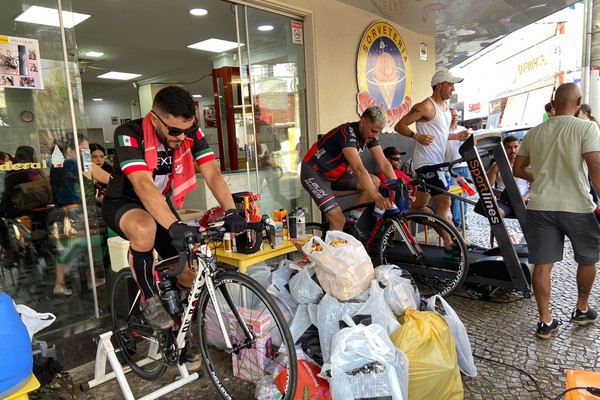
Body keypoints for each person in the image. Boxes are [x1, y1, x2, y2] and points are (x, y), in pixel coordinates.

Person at [101, 86, 246, 333]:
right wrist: (174, 226)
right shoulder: (129, 133)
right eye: (175, 131)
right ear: (155, 119)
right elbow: (143, 185)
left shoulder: (190, 133)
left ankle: (180, 333)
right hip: (124, 202)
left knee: (189, 273)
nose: (181, 137)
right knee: (145, 228)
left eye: (187, 130)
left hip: (160, 202)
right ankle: (149, 300)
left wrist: (231, 210)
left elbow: (212, 173)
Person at [513, 82, 600, 340]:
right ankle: (582, 309)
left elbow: (519, 169)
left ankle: (545, 321)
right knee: (587, 259)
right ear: (579, 101)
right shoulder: (587, 128)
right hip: (577, 207)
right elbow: (595, 170)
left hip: (540, 207)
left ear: (555, 101)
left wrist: (539, 177)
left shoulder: (534, 132)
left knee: (542, 265)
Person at [300, 106, 395, 239]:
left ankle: (350, 225)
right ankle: (332, 258)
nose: (375, 136)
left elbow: (384, 163)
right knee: (338, 220)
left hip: (336, 176)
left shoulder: (369, 136)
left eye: (378, 133)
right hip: (314, 174)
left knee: (375, 182)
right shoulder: (346, 133)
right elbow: (358, 169)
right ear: (363, 122)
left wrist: (396, 183)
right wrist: (377, 197)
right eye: (373, 131)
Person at [394, 70, 469, 233]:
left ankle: (393, 222)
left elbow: (440, 135)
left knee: (419, 206)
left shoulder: (446, 109)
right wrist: (416, 136)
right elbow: (399, 125)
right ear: (439, 85)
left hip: (439, 164)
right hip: (427, 164)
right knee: (444, 203)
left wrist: (456, 136)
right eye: (450, 85)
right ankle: (451, 243)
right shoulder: (426, 106)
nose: (453, 89)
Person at [486, 135, 530, 218]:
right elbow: (488, 188)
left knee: (537, 216)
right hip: (504, 202)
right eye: (509, 147)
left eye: (515, 147)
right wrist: (501, 195)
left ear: (519, 147)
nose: (513, 150)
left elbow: (534, 187)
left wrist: (524, 198)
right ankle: (496, 231)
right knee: (495, 214)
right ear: (504, 149)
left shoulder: (527, 164)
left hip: (524, 200)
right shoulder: (496, 166)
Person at [444, 107, 471, 229]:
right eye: (452, 115)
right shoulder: (444, 131)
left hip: (464, 167)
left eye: (456, 115)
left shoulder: (463, 130)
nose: (455, 117)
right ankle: (457, 221)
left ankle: (463, 220)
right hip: (450, 169)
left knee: (465, 194)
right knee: (455, 196)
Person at [376, 146, 416, 211]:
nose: (400, 161)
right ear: (387, 160)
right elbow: (387, 189)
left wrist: (410, 195)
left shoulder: (400, 173)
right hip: (389, 205)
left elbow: (411, 184)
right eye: (396, 159)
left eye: (400, 159)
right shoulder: (381, 174)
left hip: (402, 205)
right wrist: (407, 196)